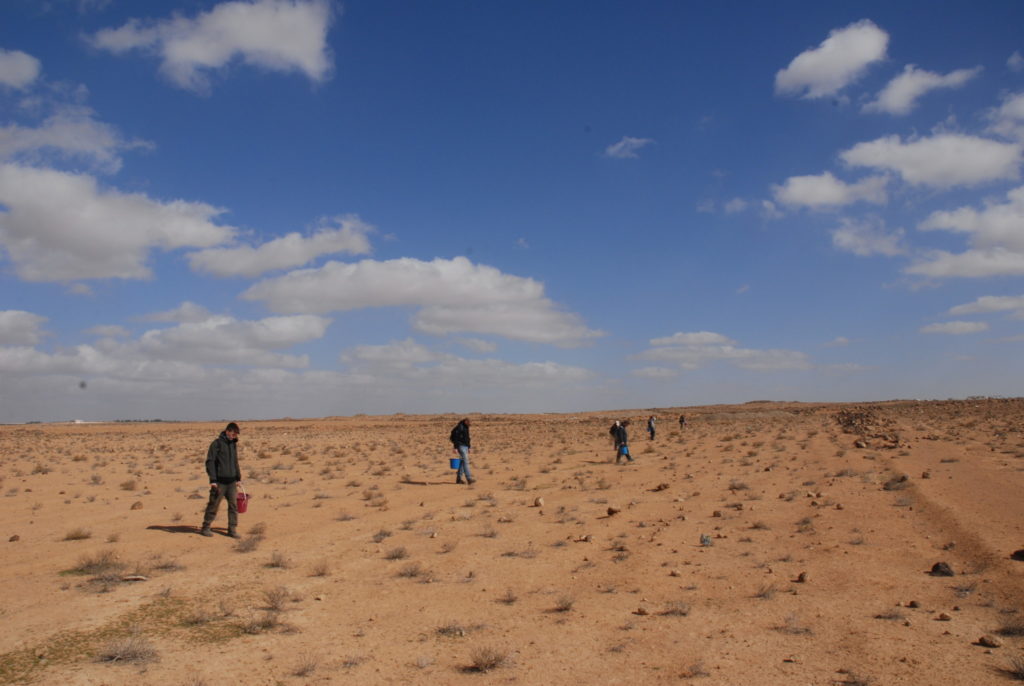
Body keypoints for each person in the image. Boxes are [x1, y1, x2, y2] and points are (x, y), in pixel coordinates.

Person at [200, 422, 242, 538]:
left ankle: (232, 529)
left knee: (233, 506)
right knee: (214, 505)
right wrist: (213, 480)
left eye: (236, 435)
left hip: (232, 482)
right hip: (219, 482)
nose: (235, 437)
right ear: (228, 431)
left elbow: (235, 462)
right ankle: (206, 527)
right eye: (233, 434)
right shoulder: (216, 444)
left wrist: (238, 478)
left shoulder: (233, 444)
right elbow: (210, 462)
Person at [449, 418, 474, 485]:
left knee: (462, 462)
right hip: (460, 446)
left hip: (465, 446)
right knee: (466, 461)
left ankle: (458, 480)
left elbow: (467, 438)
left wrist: (469, 447)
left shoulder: (466, 427)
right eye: (469, 423)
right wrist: (455, 447)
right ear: (465, 421)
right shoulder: (460, 427)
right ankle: (469, 478)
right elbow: (456, 438)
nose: (470, 424)